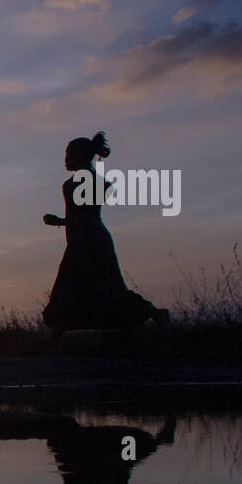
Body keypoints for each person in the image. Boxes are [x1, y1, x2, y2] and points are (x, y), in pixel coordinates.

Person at [41, 131, 169, 336]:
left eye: (69, 154)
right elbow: (85, 214)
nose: (65, 159)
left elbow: (83, 216)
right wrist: (63, 222)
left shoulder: (76, 184)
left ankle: (55, 338)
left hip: (85, 242)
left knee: (69, 290)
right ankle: (153, 315)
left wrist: (61, 222)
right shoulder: (93, 182)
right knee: (105, 288)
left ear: (79, 156)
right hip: (92, 240)